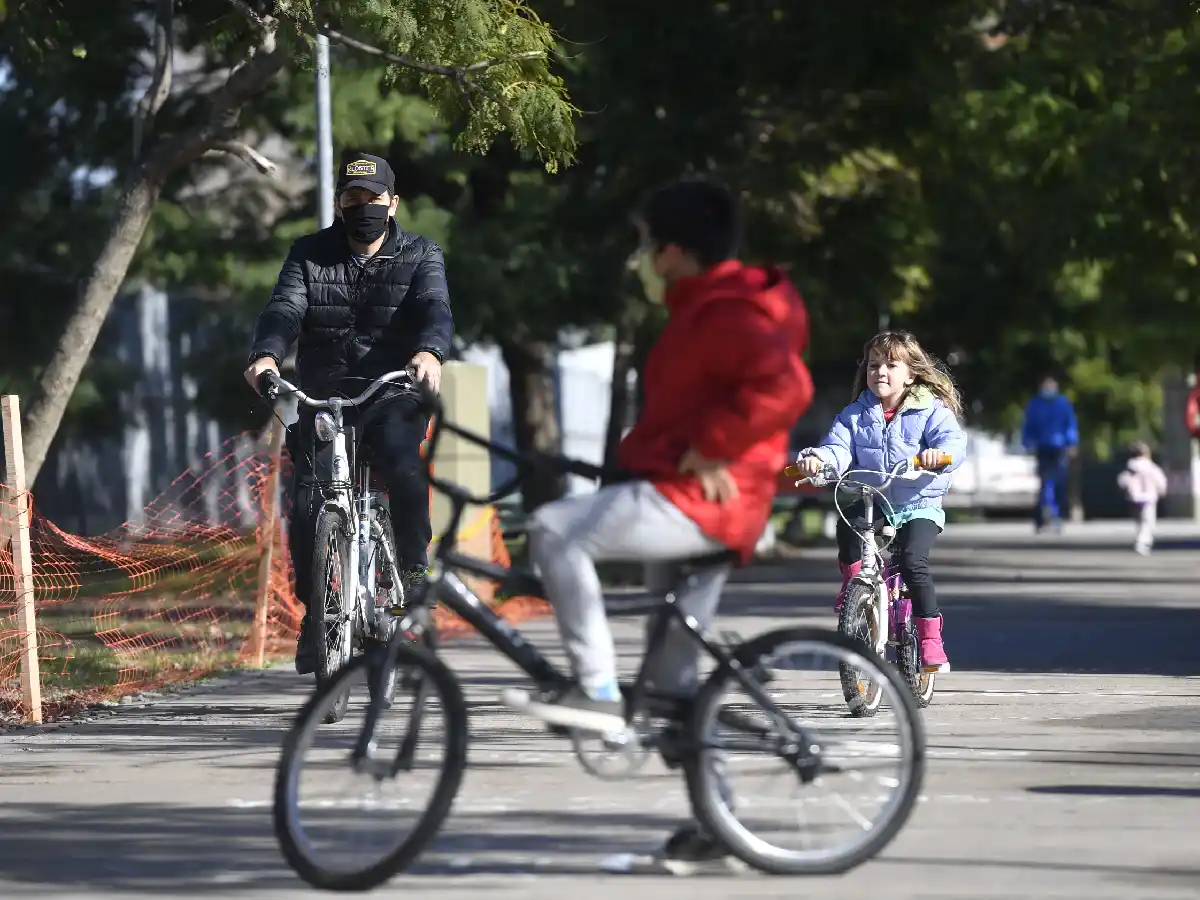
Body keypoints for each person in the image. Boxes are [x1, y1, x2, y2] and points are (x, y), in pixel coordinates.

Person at [508, 177, 813, 870]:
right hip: (688, 495)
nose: (641, 257)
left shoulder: (727, 313)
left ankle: (594, 688)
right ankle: (719, 832)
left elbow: (787, 387)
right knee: (675, 691)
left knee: (556, 530)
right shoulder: (703, 306)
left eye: (647, 244)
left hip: (707, 502)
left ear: (674, 251)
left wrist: (715, 447)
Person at [243, 149, 453, 674]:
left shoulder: (422, 254)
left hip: (392, 389)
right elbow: (285, 308)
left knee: (404, 467)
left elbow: (435, 307)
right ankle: (318, 619)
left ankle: (413, 575)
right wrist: (265, 355)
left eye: (373, 198)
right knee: (308, 502)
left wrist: (429, 351)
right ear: (340, 203)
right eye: (352, 198)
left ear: (393, 202)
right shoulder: (309, 253)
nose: (363, 207)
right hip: (324, 397)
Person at [795, 331, 968, 672]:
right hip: (870, 498)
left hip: (917, 502)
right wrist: (818, 460)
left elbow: (952, 442)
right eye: (874, 365)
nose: (881, 372)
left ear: (911, 373)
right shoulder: (854, 415)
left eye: (891, 364)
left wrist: (939, 455)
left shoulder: (931, 410)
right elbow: (838, 449)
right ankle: (856, 587)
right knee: (849, 527)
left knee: (913, 562)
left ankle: (930, 639)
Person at [1021, 375, 1079, 532]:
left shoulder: (1062, 404)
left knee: (1058, 483)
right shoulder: (1035, 404)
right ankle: (1044, 517)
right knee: (1045, 483)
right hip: (1043, 447)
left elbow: (1070, 425)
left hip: (1060, 448)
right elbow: (1029, 425)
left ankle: (1055, 516)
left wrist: (1072, 443)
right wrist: (1028, 442)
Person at [1116, 440, 1169, 556]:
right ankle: (1143, 542)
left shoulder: (1130, 468)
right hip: (1149, 497)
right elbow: (1160, 481)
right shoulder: (1152, 468)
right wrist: (1162, 490)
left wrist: (1126, 489)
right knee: (1148, 521)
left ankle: (1141, 540)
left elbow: (1122, 481)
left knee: (1139, 521)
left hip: (1134, 498)